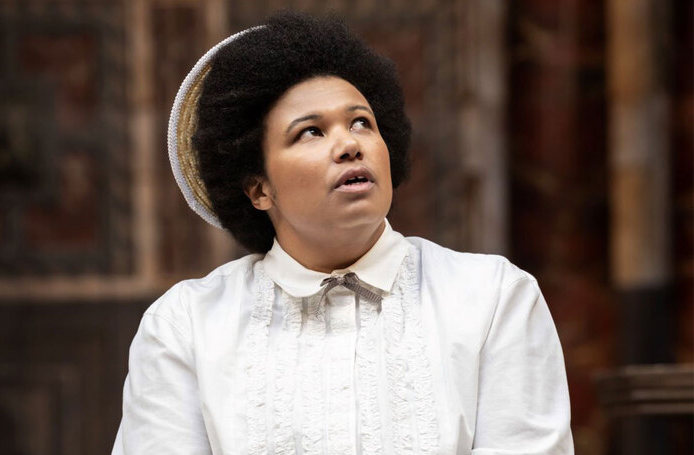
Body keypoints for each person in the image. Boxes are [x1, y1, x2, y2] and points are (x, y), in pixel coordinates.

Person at [113, 11, 574, 455]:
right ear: (258, 189)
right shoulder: (184, 326)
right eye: (310, 132)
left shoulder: (494, 297)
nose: (350, 144)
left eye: (361, 123)